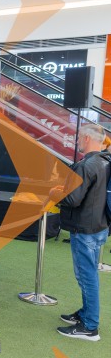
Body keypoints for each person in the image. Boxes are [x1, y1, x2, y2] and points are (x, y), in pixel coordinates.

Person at [56, 124, 111, 342]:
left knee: (86, 276)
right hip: (100, 226)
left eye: (80, 137)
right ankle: (87, 316)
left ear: (87, 138)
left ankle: (90, 326)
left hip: (85, 228)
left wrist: (55, 194)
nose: (77, 140)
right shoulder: (106, 161)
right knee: (88, 275)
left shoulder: (88, 164)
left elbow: (73, 199)